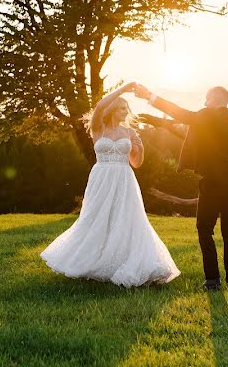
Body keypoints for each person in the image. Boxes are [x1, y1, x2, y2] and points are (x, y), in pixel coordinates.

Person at [40, 82, 180, 287]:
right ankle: (92, 261)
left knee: (126, 218)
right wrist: (123, 89)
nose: (126, 111)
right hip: (101, 176)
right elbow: (98, 107)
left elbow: (136, 163)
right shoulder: (98, 128)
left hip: (124, 178)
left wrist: (140, 149)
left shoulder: (130, 133)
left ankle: (124, 261)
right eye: (122, 108)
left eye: (126, 108)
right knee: (96, 217)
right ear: (113, 109)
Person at [134, 84, 228, 290]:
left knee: (204, 229)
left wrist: (150, 97)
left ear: (216, 100)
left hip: (211, 183)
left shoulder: (203, 117)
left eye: (207, 99)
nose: (204, 103)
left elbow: (177, 112)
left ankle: (212, 280)